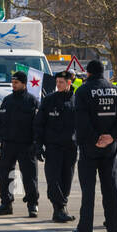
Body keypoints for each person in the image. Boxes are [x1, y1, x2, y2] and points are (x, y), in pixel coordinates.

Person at [71, 60, 117, 232]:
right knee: (112, 188)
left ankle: (85, 227)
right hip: (110, 148)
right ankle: (114, 226)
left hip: (89, 147)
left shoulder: (83, 91)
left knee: (88, 190)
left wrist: (95, 139)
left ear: (88, 73)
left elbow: (81, 121)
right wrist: (111, 136)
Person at [0, 70, 40, 217]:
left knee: (29, 176)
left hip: (26, 145)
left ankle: (32, 204)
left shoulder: (32, 101)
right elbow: (0, 121)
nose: (13, 85)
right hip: (8, 144)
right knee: (4, 174)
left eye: (16, 83)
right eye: (12, 82)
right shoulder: (7, 100)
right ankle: (6, 203)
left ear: (24, 84)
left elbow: (37, 125)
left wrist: (37, 144)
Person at [34, 70, 77, 223]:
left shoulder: (76, 100)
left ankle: (61, 208)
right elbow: (39, 124)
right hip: (53, 147)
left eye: (61, 82)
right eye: (57, 82)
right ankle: (59, 208)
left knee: (67, 178)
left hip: (71, 147)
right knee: (53, 179)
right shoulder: (49, 100)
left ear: (69, 83)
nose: (58, 85)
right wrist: (38, 146)